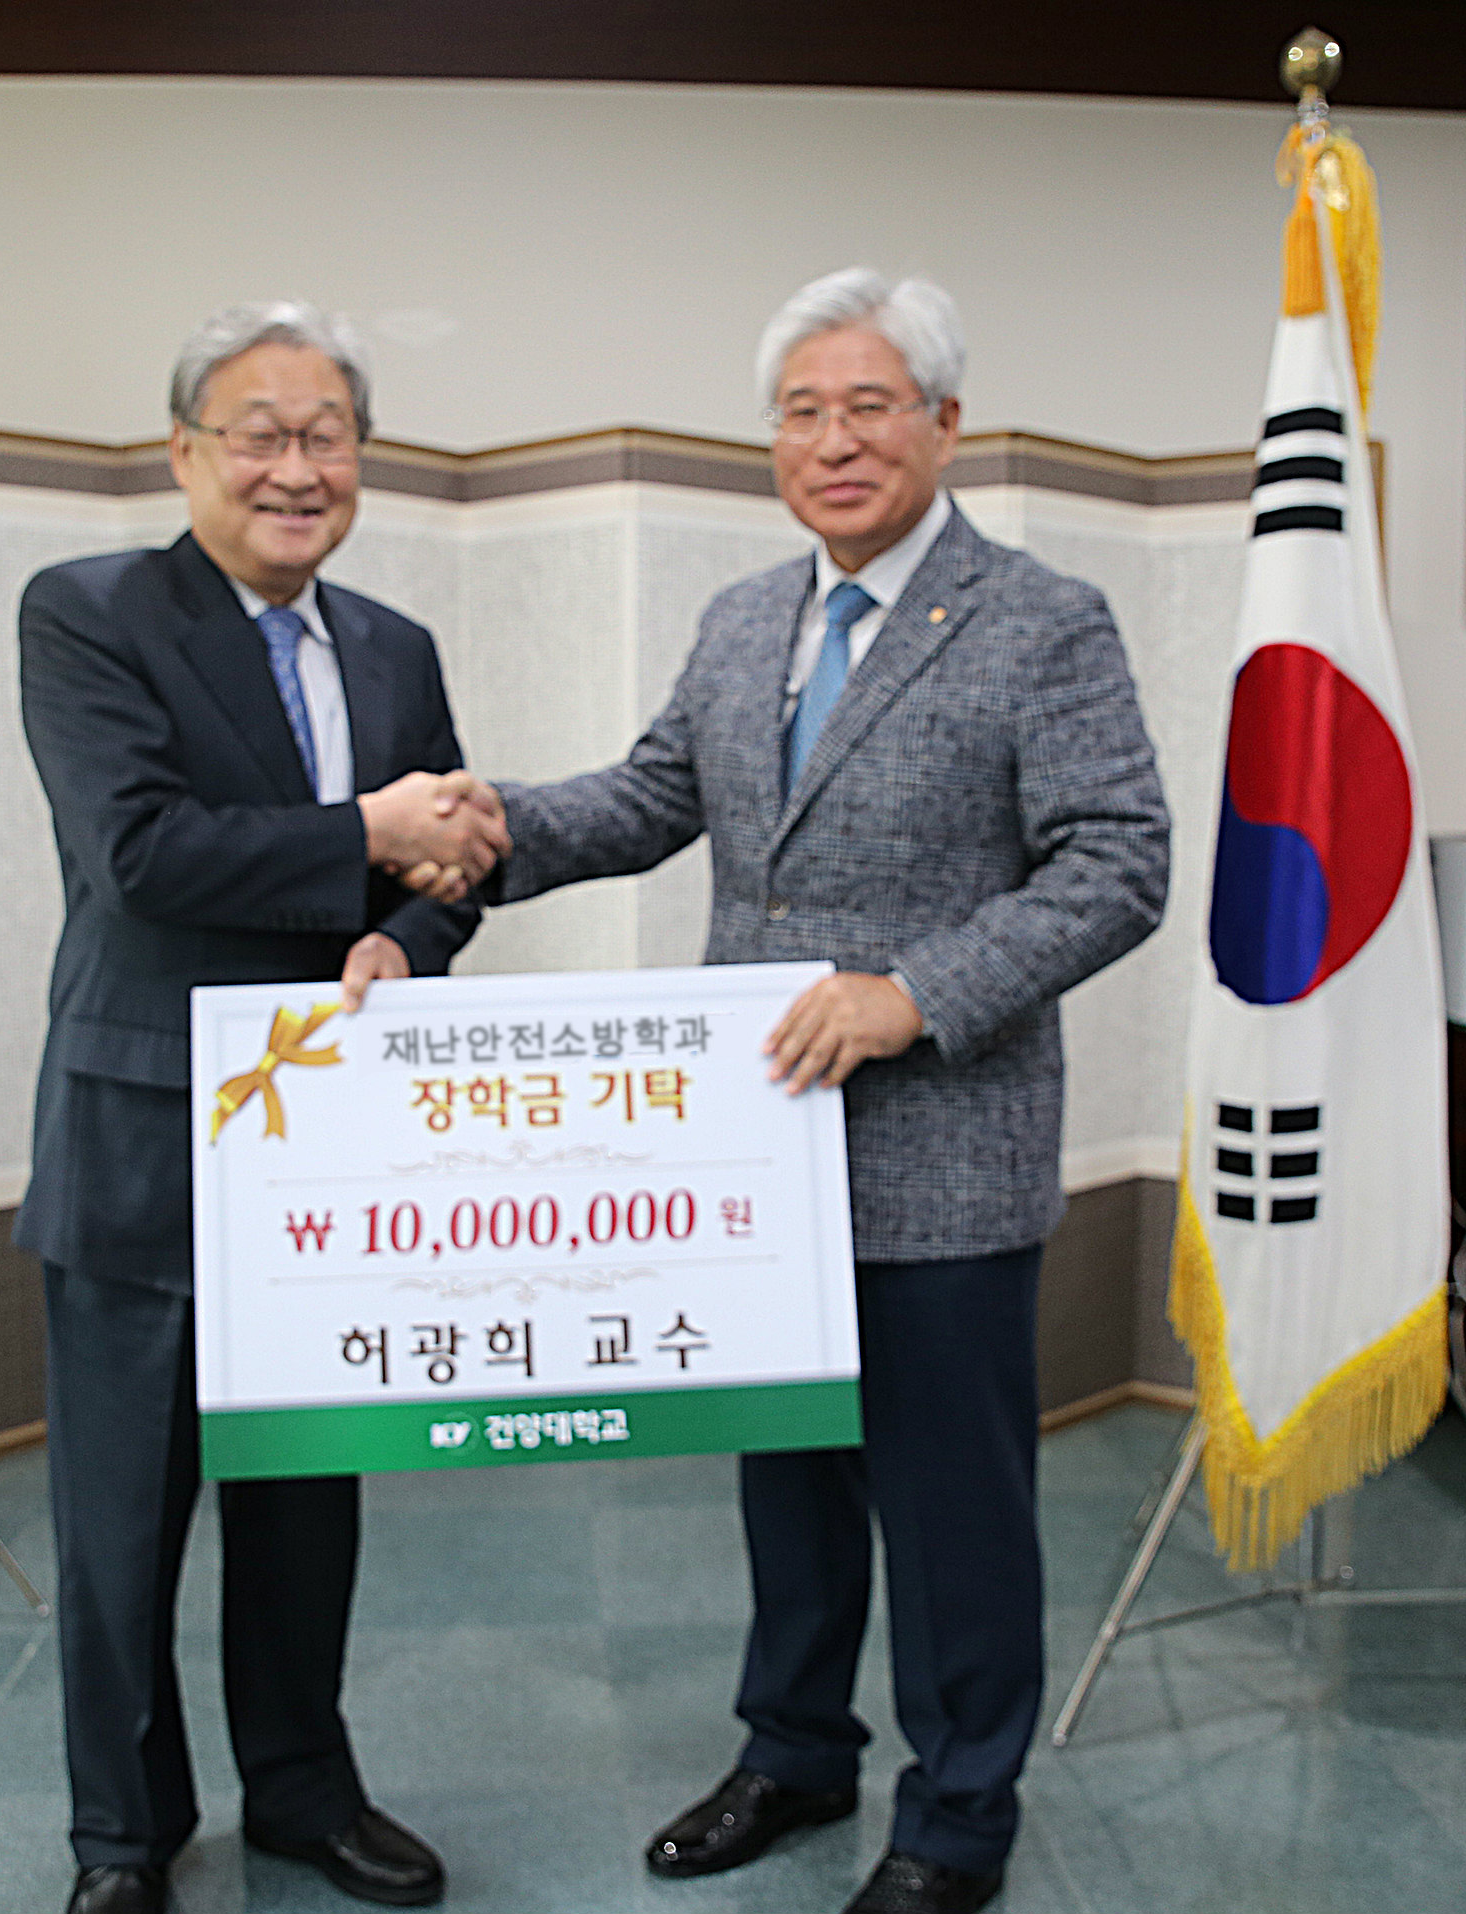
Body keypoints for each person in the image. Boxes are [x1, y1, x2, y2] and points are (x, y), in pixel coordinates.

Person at [462, 268, 1171, 1914]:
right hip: (756, 1158)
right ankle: (792, 1751)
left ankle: (959, 1818)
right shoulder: (743, 620)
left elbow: (1119, 862)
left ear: (944, 422)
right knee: (786, 1486)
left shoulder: (1042, 620)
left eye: (868, 406)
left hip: (946, 1158)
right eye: (801, 411)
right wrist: (484, 825)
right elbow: (649, 797)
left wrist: (913, 993)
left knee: (952, 1512)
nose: (833, 441)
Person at [15, 301, 509, 1914]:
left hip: (330, 1163)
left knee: (306, 1504)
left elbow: (451, 865)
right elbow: (138, 853)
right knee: (120, 1528)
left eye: (328, 437)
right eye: (261, 434)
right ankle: (121, 1833)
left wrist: (405, 933)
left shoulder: (395, 648)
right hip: (144, 1148)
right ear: (186, 452)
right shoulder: (87, 612)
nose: (297, 468)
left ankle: (304, 1789)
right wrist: (366, 828)